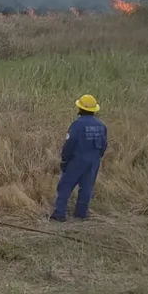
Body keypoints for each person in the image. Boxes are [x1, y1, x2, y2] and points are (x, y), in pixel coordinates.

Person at [51, 94, 108, 222]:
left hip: (77, 160)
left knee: (65, 186)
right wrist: (97, 158)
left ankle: (59, 214)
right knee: (86, 187)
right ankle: (81, 214)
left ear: (80, 109)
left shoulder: (77, 125)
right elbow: (104, 145)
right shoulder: (101, 125)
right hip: (94, 161)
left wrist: (65, 160)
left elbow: (69, 145)